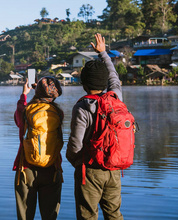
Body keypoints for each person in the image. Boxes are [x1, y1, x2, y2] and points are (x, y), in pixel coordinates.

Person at [66, 33, 124, 220]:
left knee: (88, 216)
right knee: (114, 215)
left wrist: (77, 163)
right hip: (114, 168)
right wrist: (103, 53)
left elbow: (75, 144)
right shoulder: (116, 97)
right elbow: (114, 78)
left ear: (84, 83)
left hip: (90, 169)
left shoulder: (82, 106)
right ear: (104, 81)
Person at [13, 76, 64, 220]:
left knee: (25, 217)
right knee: (49, 216)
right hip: (52, 169)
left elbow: (18, 114)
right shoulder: (58, 113)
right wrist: (41, 93)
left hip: (26, 169)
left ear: (38, 91)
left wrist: (25, 94)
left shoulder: (25, 110)